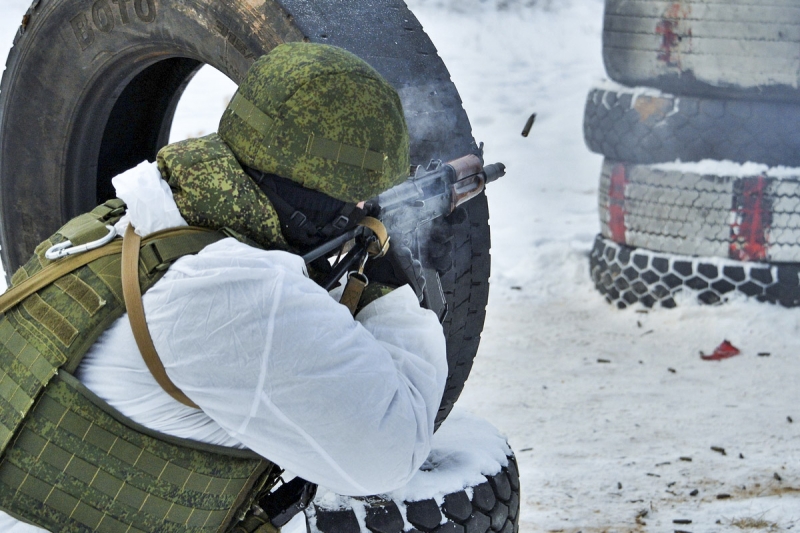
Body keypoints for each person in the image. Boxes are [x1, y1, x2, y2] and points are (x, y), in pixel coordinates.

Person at [0, 42, 447, 532]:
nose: (363, 211)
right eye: (359, 201)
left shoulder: (156, 213)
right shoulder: (242, 295)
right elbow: (391, 454)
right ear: (318, 201)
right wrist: (387, 287)